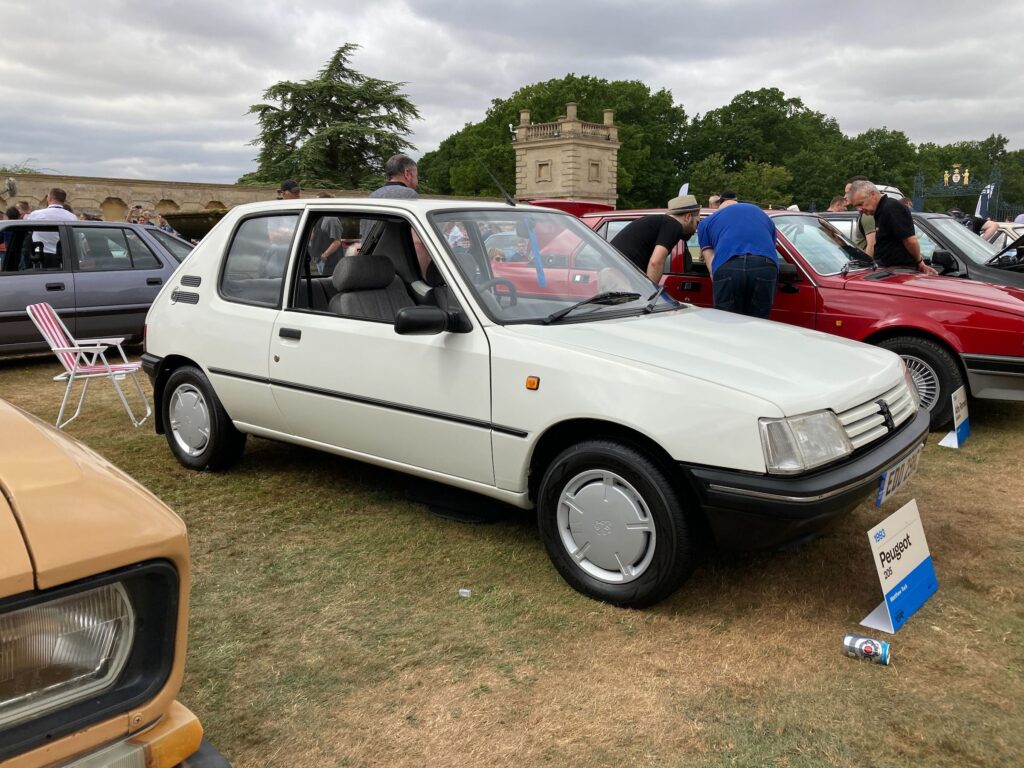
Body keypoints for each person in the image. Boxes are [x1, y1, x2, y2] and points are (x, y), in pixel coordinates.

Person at [697, 190, 780, 318]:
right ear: (736, 201)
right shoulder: (760, 214)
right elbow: (770, 249)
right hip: (764, 266)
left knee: (727, 321)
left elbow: (711, 263)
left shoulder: (707, 222)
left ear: (719, 205)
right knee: (760, 321)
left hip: (728, 265)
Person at [848, 180, 936, 275]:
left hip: (899, 272)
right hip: (889, 271)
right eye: (856, 206)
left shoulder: (891, 207)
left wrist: (919, 262)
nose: (859, 210)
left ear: (873, 194)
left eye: (861, 204)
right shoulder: (880, 211)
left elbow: (910, 240)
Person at [609, 194, 701, 283]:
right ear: (688, 217)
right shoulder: (674, 225)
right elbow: (656, 262)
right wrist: (650, 292)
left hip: (611, 270)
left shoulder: (663, 223)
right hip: (619, 275)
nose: (696, 228)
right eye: (697, 222)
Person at [24, 187, 78, 255]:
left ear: (49, 198)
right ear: (63, 200)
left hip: (40, 255)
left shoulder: (36, 214)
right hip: (63, 256)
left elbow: (27, 230)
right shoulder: (72, 217)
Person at [844, 175, 875, 257]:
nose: (845, 196)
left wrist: (867, 267)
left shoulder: (867, 215)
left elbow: (871, 245)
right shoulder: (864, 214)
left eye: (848, 192)